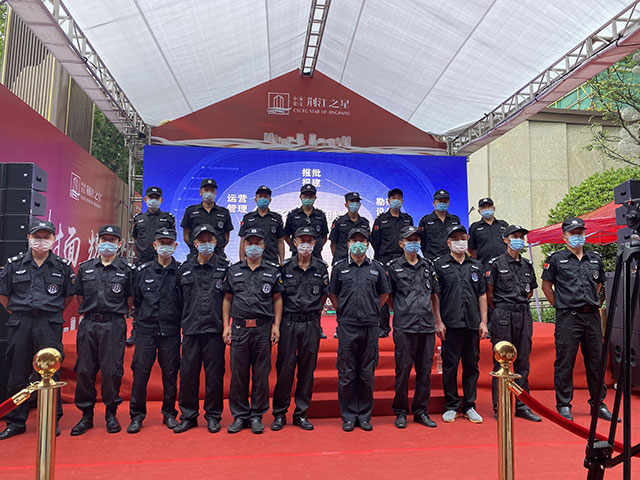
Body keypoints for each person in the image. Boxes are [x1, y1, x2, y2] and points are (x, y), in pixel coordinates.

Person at [0, 220, 75, 440]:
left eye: (46, 237)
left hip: (48, 323)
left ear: (53, 239)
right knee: (17, 371)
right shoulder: (14, 264)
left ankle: (50, 419)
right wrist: (19, 311)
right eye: (37, 236)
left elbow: (68, 297)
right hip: (21, 322)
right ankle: (15, 421)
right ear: (29, 238)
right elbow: (4, 295)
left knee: (50, 372)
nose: (41, 240)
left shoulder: (63, 266)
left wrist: (48, 311)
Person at [541, 217, 616, 422]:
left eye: (580, 233)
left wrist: (589, 300)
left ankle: (598, 404)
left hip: (591, 316)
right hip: (568, 317)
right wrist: (560, 305)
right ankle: (564, 404)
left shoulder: (595, 258)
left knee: (596, 362)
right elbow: (546, 286)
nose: (578, 237)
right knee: (565, 361)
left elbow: (598, 284)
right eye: (573, 233)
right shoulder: (556, 259)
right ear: (564, 236)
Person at [71, 225, 135, 436]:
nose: (108, 244)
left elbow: (130, 299)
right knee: (84, 370)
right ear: (97, 242)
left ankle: (111, 414)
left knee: (112, 371)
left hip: (113, 324)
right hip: (89, 324)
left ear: (119, 244)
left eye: (112, 240)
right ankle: (86, 415)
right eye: (104, 239)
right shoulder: (85, 268)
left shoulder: (126, 270)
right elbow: (79, 296)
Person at [222, 227, 283, 434]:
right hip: (239, 328)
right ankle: (240, 415)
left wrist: (276, 326)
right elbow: (227, 299)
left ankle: (257, 415)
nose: (254, 247)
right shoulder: (233, 271)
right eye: (250, 243)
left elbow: (277, 299)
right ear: (244, 245)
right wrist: (226, 325)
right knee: (238, 374)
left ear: (263, 246)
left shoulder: (272, 271)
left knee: (261, 374)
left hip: (262, 329)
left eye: (258, 243)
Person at [329, 227, 390, 432]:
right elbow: (333, 294)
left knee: (366, 373)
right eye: (354, 240)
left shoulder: (376, 268)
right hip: (347, 327)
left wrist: (372, 310)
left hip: (370, 326)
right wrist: (344, 311)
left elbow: (384, 294)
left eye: (362, 241)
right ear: (348, 244)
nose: (358, 244)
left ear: (367, 244)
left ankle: (364, 416)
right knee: (347, 373)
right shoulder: (339, 268)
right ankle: (348, 416)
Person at [271, 226, 329, 431]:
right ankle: (279, 414)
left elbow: (323, 295)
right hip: (289, 323)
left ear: (315, 243)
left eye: (309, 241)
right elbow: (277, 296)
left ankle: (301, 413)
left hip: (311, 324)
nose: (306, 244)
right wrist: (277, 324)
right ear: (294, 242)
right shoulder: (284, 267)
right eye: (302, 240)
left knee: (307, 370)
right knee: (285, 369)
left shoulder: (321, 268)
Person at [173, 224, 229, 434]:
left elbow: (229, 299)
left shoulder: (225, 269)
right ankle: (188, 416)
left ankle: (213, 416)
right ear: (195, 243)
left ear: (216, 242)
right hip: (191, 330)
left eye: (210, 240)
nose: (206, 244)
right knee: (188, 375)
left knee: (214, 376)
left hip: (215, 330)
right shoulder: (184, 269)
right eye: (202, 240)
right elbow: (178, 301)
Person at [127, 228, 182, 434]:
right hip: (146, 331)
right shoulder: (142, 271)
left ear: (175, 246)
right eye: (162, 242)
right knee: (140, 374)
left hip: (171, 331)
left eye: (169, 243)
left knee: (170, 374)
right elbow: (134, 301)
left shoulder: (181, 272)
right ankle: (137, 415)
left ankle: (169, 413)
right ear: (155, 245)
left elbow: (184, 301)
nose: (165, 246)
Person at [387, 225, 441, 429]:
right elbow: (389, 296)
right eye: (409, 240)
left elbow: (434, 294)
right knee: (403, 371)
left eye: (416, 240)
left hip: (426, 326)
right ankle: (401, 411)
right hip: (405, 326)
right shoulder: (394, 267)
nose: (413, 243)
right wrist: (402, 310)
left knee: (424, 371)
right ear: (401, 243)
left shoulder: (428, 265)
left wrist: (438, 321)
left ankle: (421, 411)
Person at [486, 225, 541, 422]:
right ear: (505, 240)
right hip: (503, 314)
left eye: (521, 237)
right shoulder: (496, 264)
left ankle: (522, 405)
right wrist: (502, 309)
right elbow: (490, 293)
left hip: (523, 314)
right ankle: (500, 405)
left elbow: (529, 291)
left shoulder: (527, 265)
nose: (519, 240)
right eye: (514, 236)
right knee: (502, 360)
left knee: (523, 360)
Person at [434, 224, 488, 424]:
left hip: (472, 323)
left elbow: (482, 294)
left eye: (463, 238)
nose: (460, 242)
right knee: (450, 365)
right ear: (449, 243)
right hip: (450, 323)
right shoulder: (440, 265)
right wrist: (438, 321)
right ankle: (451, 405)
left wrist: (484, 321)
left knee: (471, 365)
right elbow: (436, 295)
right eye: (455, 239)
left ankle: (469, 405)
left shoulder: (476, 265)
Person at [129, 186, 176, 346]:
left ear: (161, 200)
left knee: (165, 296)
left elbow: (171, 238)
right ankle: (136, 330)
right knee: (140, 297)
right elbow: (136, 239)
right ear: (145, 199)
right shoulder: (139, 219)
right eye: (151, 197)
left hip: (162, 262)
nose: (153, 200)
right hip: (143, 262)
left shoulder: (167, 218)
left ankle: (167, 329)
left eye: (157, 197)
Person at [371, 188, 413, 338]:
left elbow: (411, 239)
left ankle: (404, 325)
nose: (396, 200)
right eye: (393, 198)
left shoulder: (407, 219)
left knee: (404, 292)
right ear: (388, 201)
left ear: (402, 201)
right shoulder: (381, 219)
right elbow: (375, 241)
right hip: (385, 259)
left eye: (399, 198)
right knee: (384, 292)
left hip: (403, 259)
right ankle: (383, 327)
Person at [180, 178, 233, 258]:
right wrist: (196, 247)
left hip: (218, 254)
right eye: (206, 190)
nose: (209, 193)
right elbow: (186, 235)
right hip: (195, 255)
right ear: (201, 192)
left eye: (212, 190)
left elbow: (226, 237)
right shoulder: (191, 211)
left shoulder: (224, 212)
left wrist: (217, 247)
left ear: (216, 192)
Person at [238, 185, 285, 264]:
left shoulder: (277, 218)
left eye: (265, 196)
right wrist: (242, 261)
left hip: (271, 260)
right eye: (260, 196)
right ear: (255, 200)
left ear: (270, 200)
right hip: (251, 261)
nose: (263, 199)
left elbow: (280, 241)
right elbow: (242, 241)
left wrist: (282, 261)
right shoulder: (248, 218)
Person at [284, 184, 328, 260]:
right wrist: (297, 246)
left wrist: (315, 246)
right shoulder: (293, 215)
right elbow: (286, 236)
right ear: (300, 197)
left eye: (310, 196)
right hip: (296, 255)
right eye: (305, 196)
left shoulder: (321, 215)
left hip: (316, 255)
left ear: (315, 198)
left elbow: (324, 237)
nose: (308, 198)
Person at [419, 189, 461, 261]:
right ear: (434, 203)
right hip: (433, 260)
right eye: (440, 201)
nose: (443, 203)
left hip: (452, 259)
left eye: (445, 201)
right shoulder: (425, 220)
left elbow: (458, 238)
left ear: (448, 203)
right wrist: (427, 256)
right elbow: (421, 241)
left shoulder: (455, 220)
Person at [329, 192, 370, 265]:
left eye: (357, 201)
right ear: (346, 205)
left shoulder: (365, 223)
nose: (355, 204)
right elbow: (333, 243)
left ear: (360, 204)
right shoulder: (339, 222)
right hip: (341, 259)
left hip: (359, 261)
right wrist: (337, 257)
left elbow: (368, 241)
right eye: (352, 201)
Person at [468, 197, 508, 266]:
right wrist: (478, 262)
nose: (486, 209)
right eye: (483, 207)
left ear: (494, 209)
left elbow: (509, 243)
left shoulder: (503, 224)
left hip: (504, 264)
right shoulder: (474, 227)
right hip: (484, 265)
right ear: (479, 211)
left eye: (489, 206)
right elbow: (471, 248)